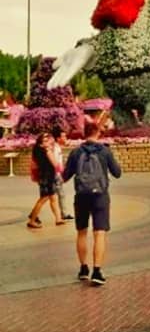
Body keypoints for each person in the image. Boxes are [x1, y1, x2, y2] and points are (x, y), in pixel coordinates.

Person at [63, 121, 121, 285]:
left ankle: (83, 269)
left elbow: (65, 176)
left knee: (82, 232)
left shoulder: (75, 152)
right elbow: (117, 173)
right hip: (100, 196)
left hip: (81, 196)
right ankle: (97, 271)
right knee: (99, 233)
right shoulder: (105, 151)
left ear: (84, 133)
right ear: (98, 133)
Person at [27, 132, 65, 228]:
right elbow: (55, 164)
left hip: (44, 176)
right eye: (45, 140)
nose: (48, 142)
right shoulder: (47, 151)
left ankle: (58, 219)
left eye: (48, 139)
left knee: (54, 198)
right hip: (47, 178)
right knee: (43, 199)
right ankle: (32, 220)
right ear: (41, 143)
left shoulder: (37, 150)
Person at [52, 126, 73, 220]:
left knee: (55, 195)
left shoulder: (57, 147)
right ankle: (63, 214)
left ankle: (64, 213)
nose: (65, 138)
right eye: (63, 136)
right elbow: (55, 163)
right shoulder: (55, 149)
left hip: (56, 175)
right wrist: (60, 175)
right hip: (55, 176)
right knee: (49, 196)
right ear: (58, 138)